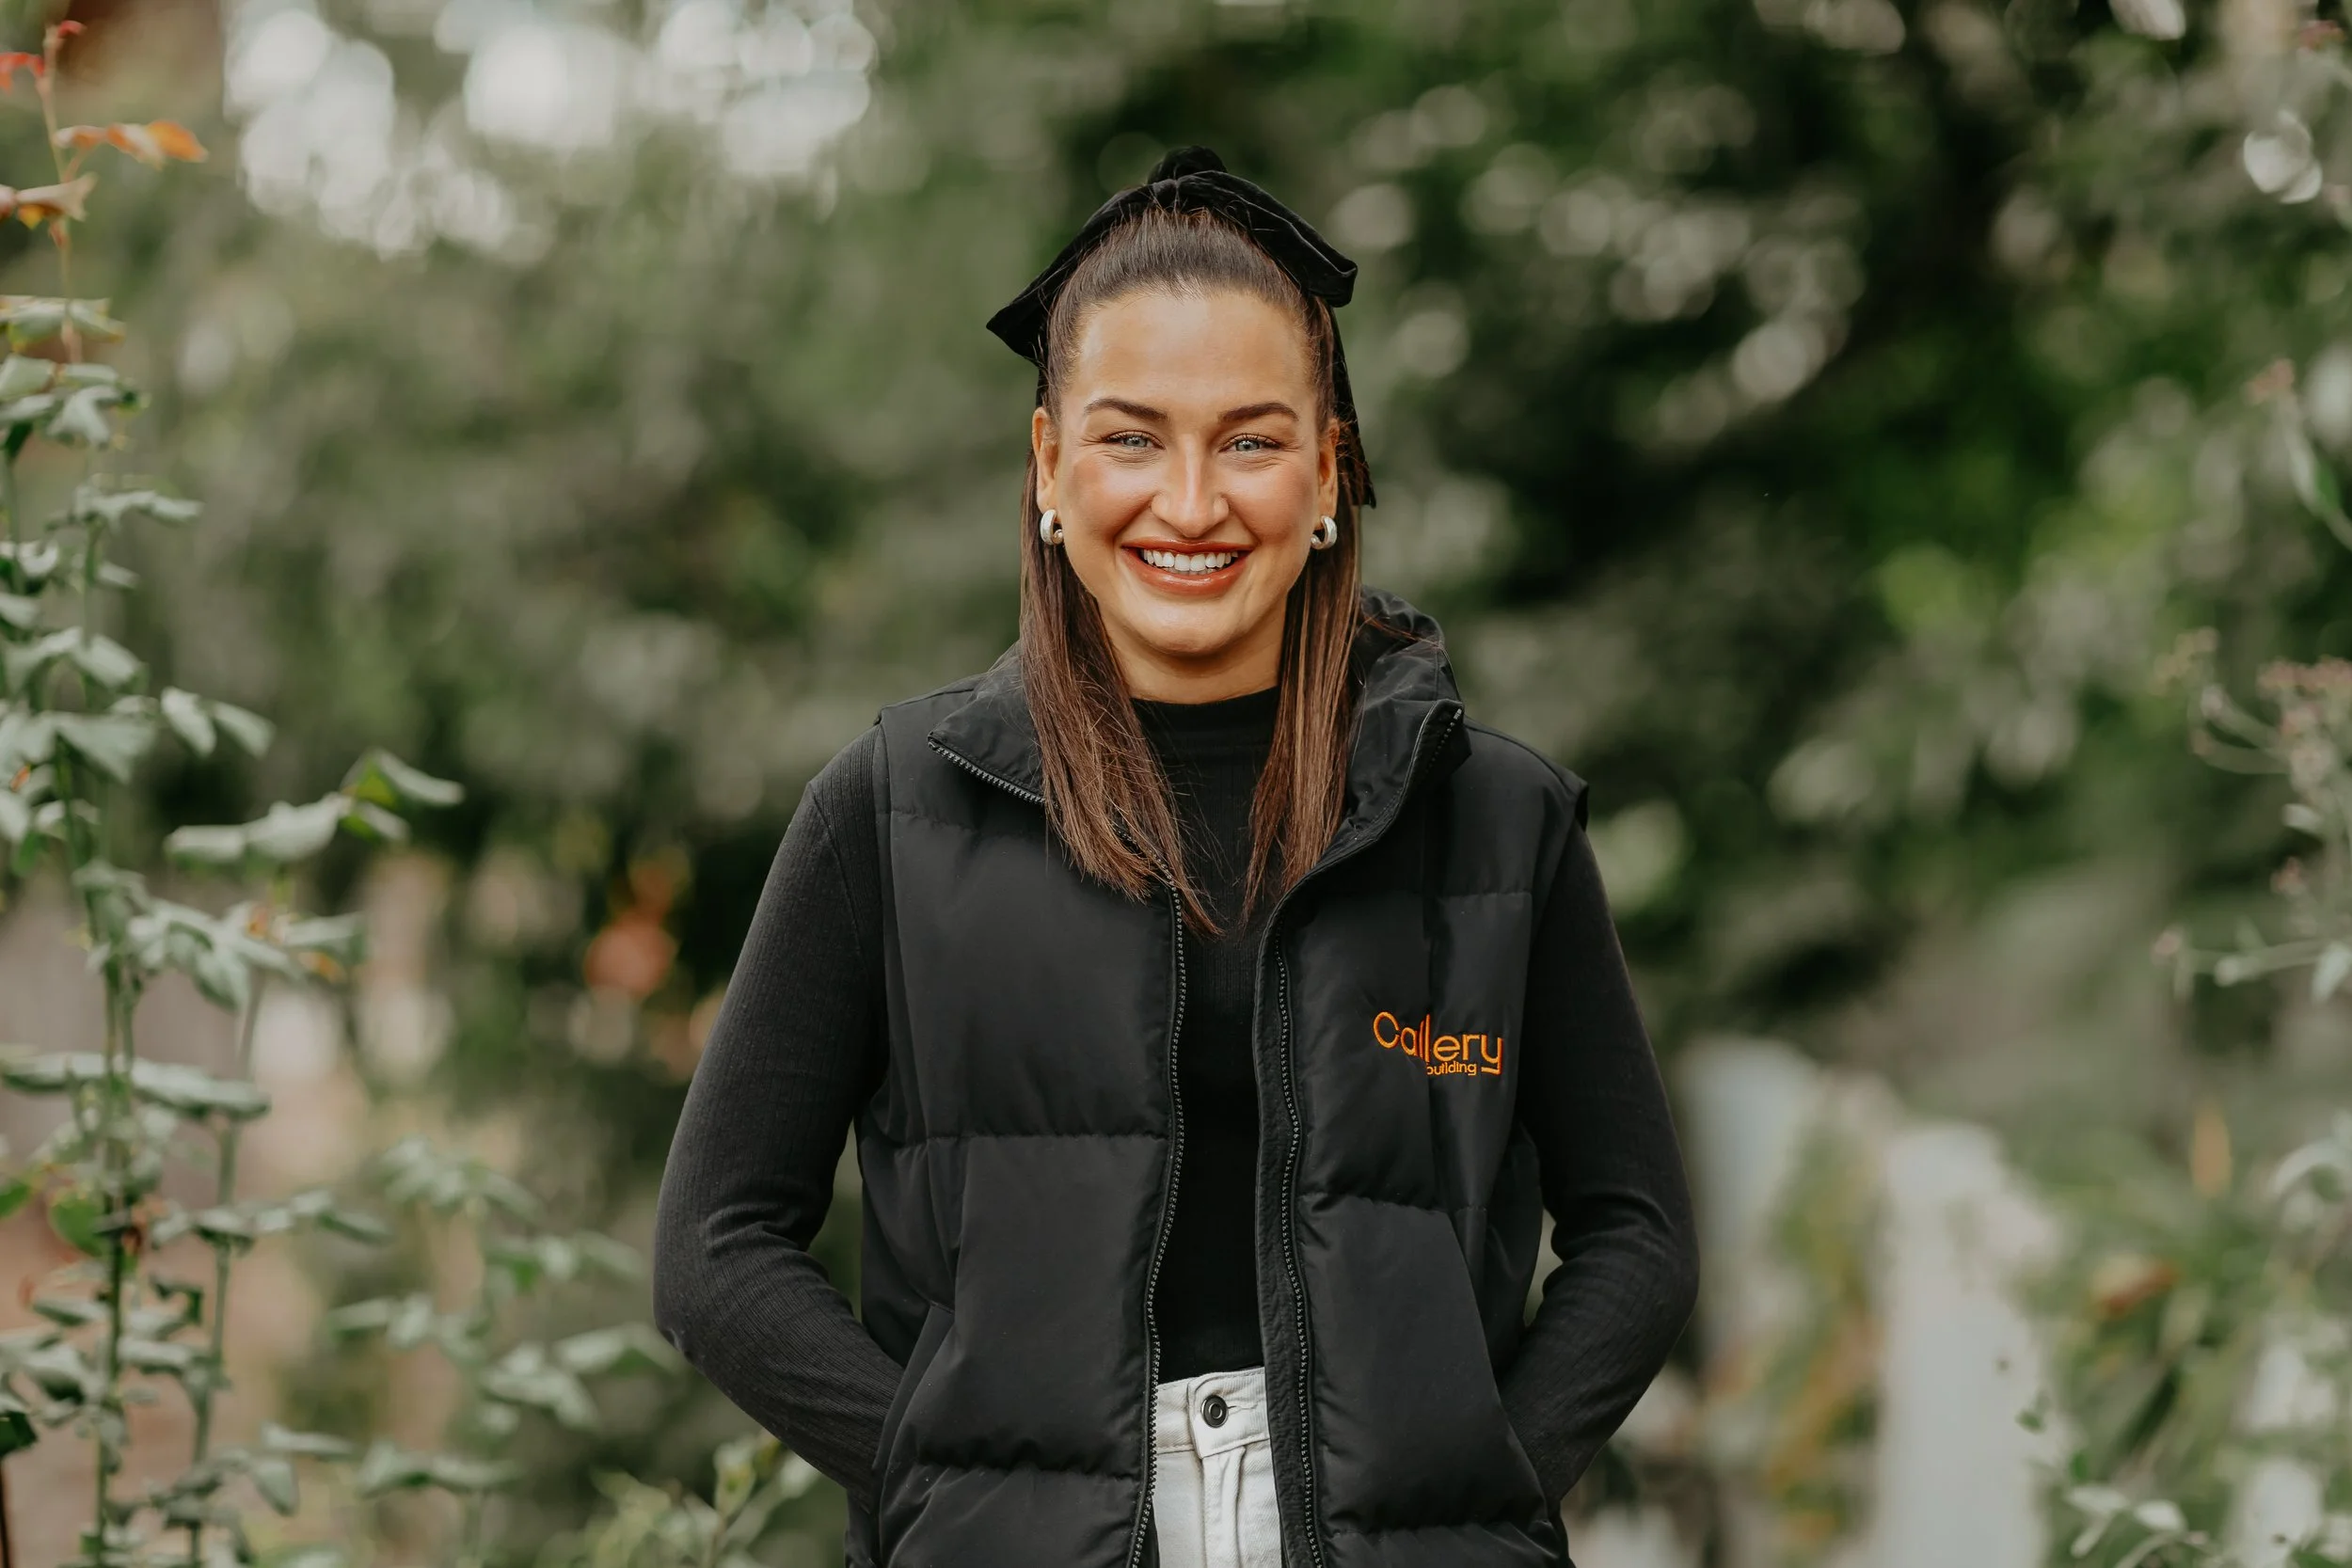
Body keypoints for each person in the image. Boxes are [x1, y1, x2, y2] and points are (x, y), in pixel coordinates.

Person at [652, 147, 1699, 1568]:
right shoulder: (892, 808)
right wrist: (939, 1477)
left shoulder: (1495, 821)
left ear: (1330, 470)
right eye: (1132, 437)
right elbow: (716, 1246)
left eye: (1253, 440)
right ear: (1049, 469)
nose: (1192, 502)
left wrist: (1490, 1476)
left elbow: (1638, 1232)